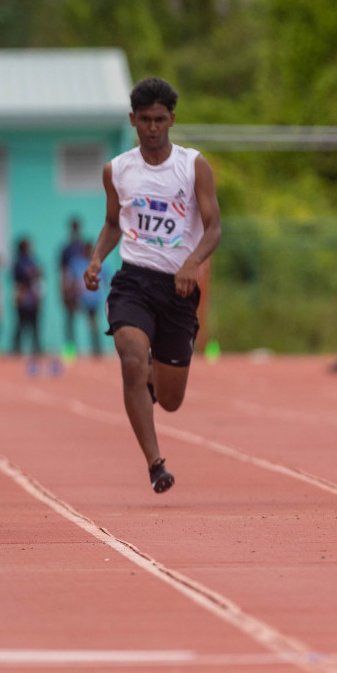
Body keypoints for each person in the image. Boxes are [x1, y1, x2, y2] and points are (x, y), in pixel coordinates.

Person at [84, 77, 221, 495]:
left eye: (160, 119)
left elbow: (214, 228)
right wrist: (95, 259)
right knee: (129, 356)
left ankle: (151, 384)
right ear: (133, 120)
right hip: (134, 280)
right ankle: (155, 464)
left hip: (179, 289)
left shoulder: (192, 165)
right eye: (144, 119)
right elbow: (112, 224)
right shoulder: (118, 170)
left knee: (172, 399)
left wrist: (192, 264)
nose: (153, 127)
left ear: (172, 120)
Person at [58, 218, 98, 357]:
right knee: (70, 320)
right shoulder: (66, 249)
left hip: (86, 290)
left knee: (92, 319)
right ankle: (71, 350)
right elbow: (62, 271)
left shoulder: (84, 247)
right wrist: (63, 291)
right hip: (72, 289)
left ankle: (95, 349)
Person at [12, 237, 45, 375]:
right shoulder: (19, 262)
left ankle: (36, 349)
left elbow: (39, 274)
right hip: (24, 295)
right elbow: (18, 280)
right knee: (21, 323)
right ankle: (17, 349)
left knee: (34, 324)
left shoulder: (32, 260)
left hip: (32, 296)